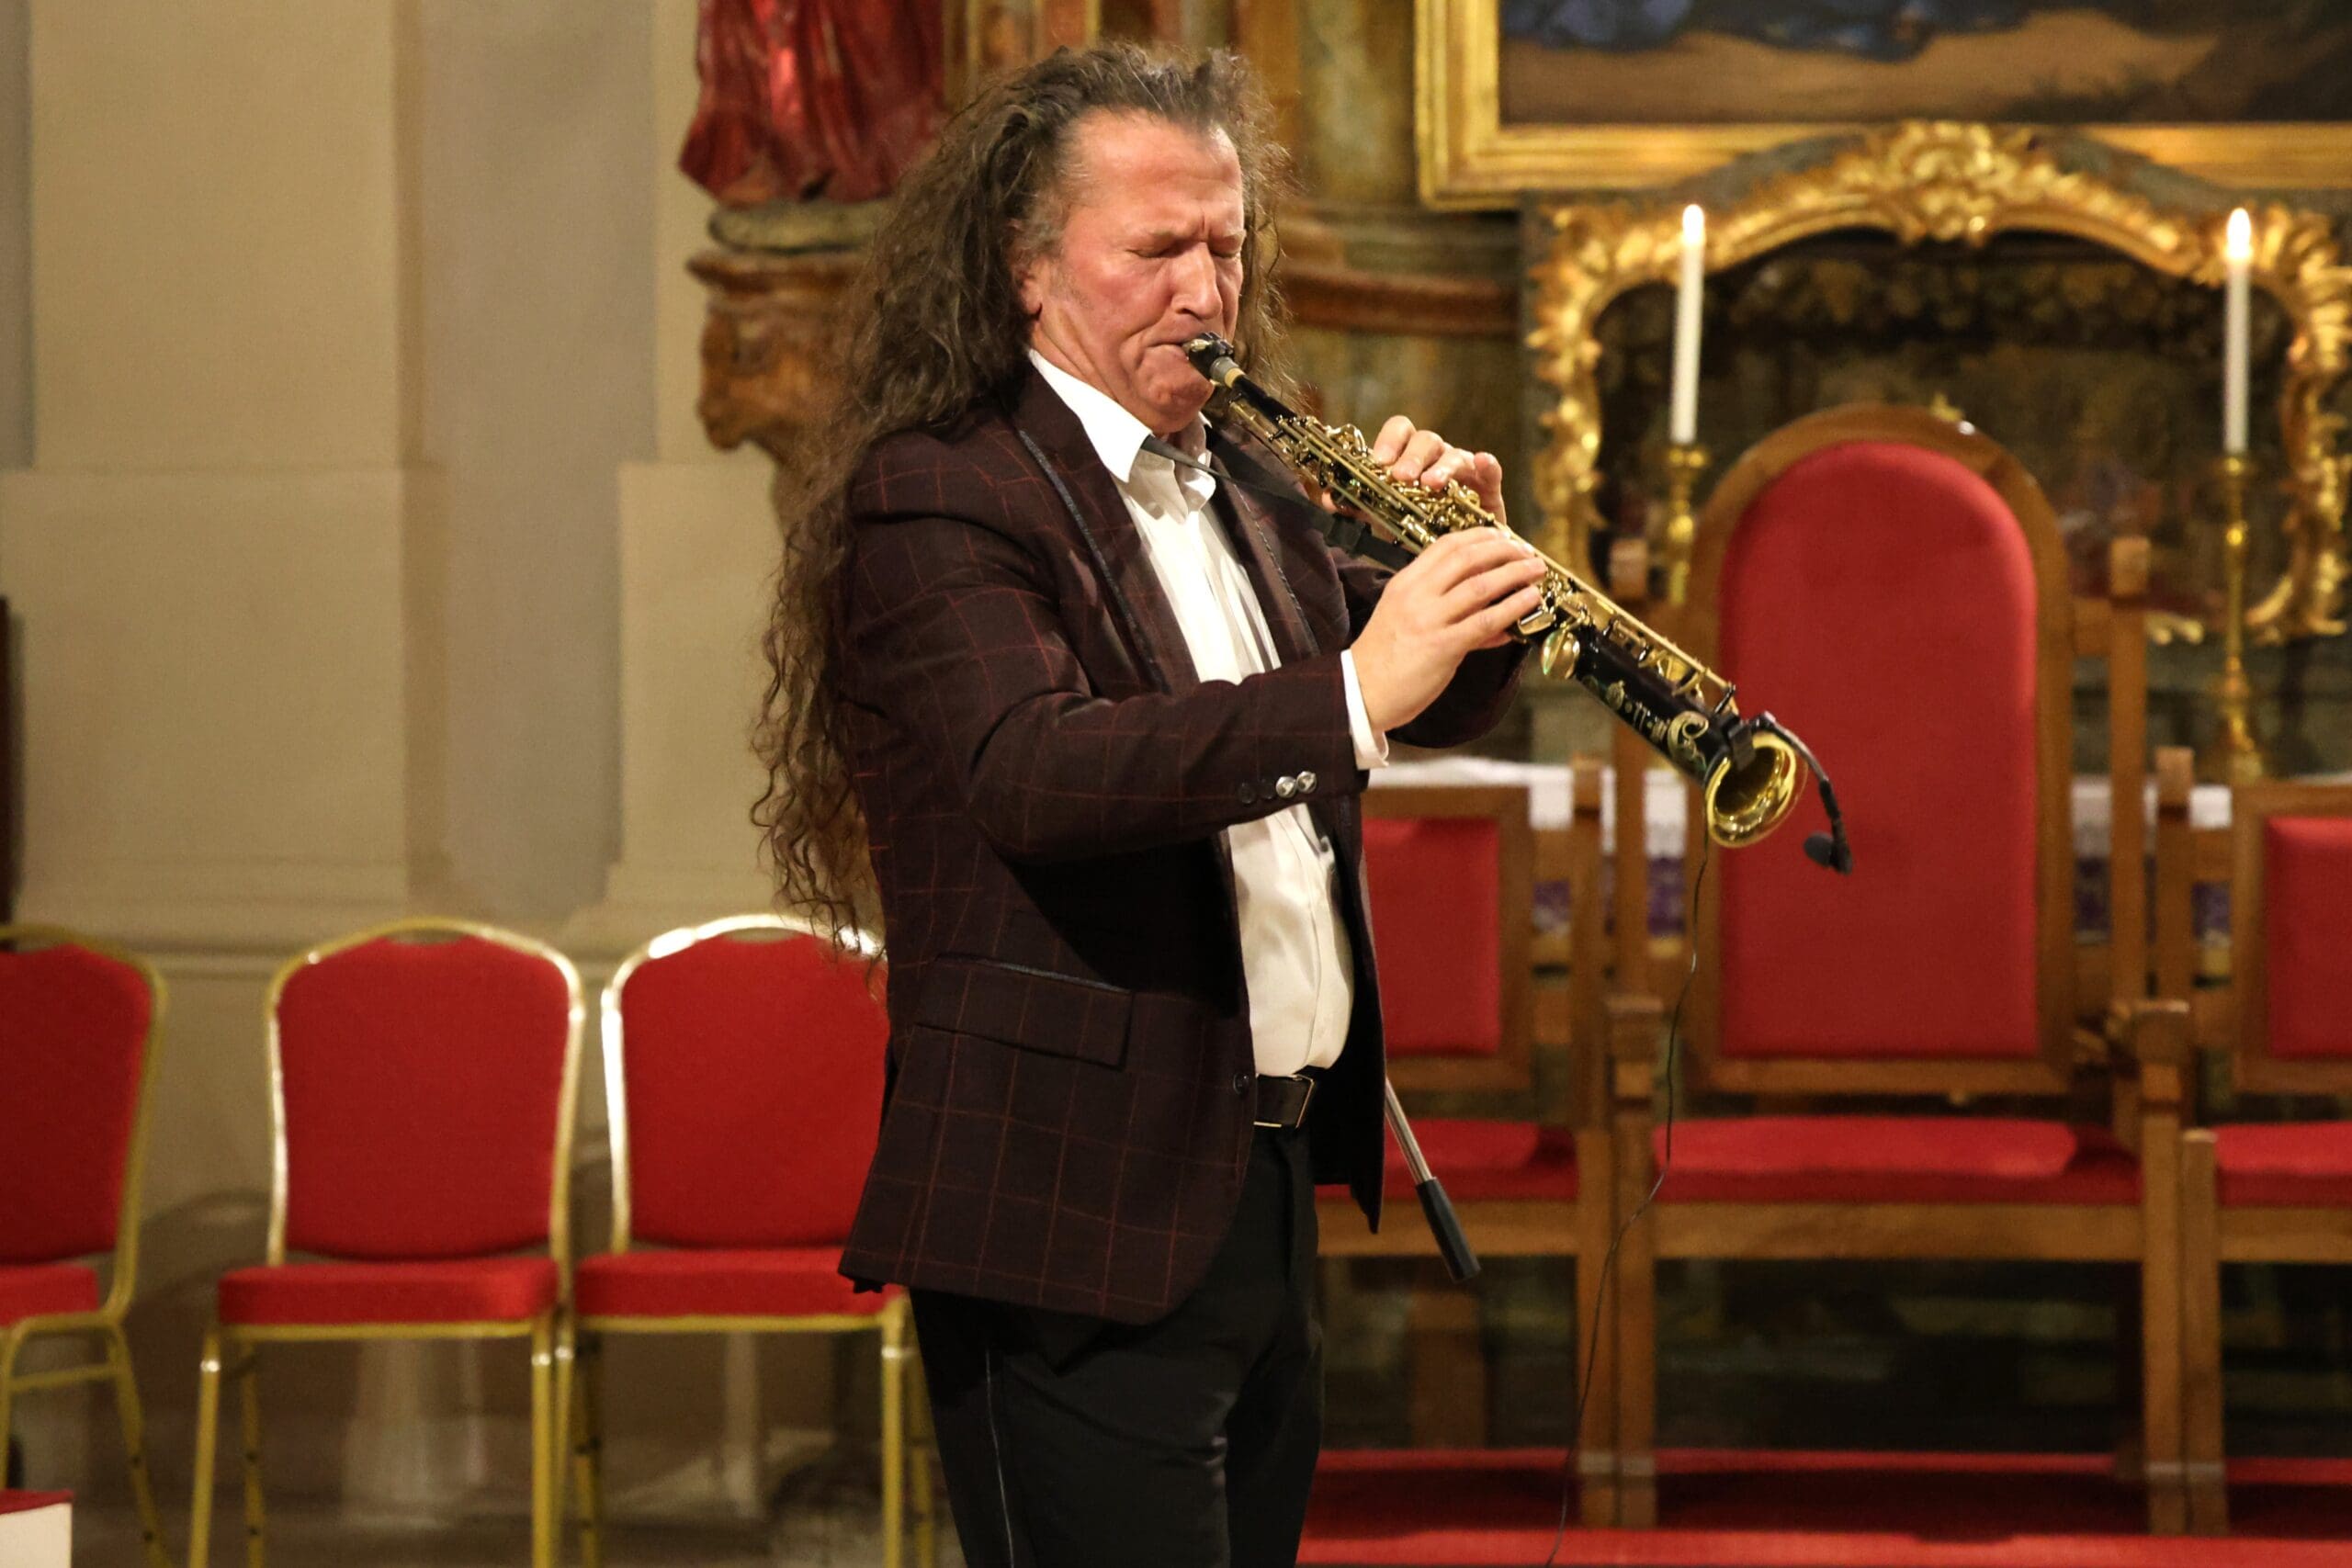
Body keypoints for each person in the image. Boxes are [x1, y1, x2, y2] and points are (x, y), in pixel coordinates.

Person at [752, 42, 1546, 1568]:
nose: (1205, 292)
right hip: (1071, 1198)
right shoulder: (943, 491)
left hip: (1257, 1171)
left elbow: (1403, 691)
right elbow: (1039, 769)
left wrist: (1470, 581)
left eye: (1227, 247)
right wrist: (1358, 686)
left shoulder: (1243, 479)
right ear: (1028, 264)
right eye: (1157, 249)